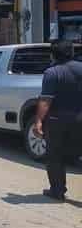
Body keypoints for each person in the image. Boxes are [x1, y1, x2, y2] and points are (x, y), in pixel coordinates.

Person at [33, 40, 82, 201]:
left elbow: (46, 100)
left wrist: (38, 121)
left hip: (57, 120)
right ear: (72, 52)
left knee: (55, 155)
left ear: (53, 55)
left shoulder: (52, 73)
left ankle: (57, 190)